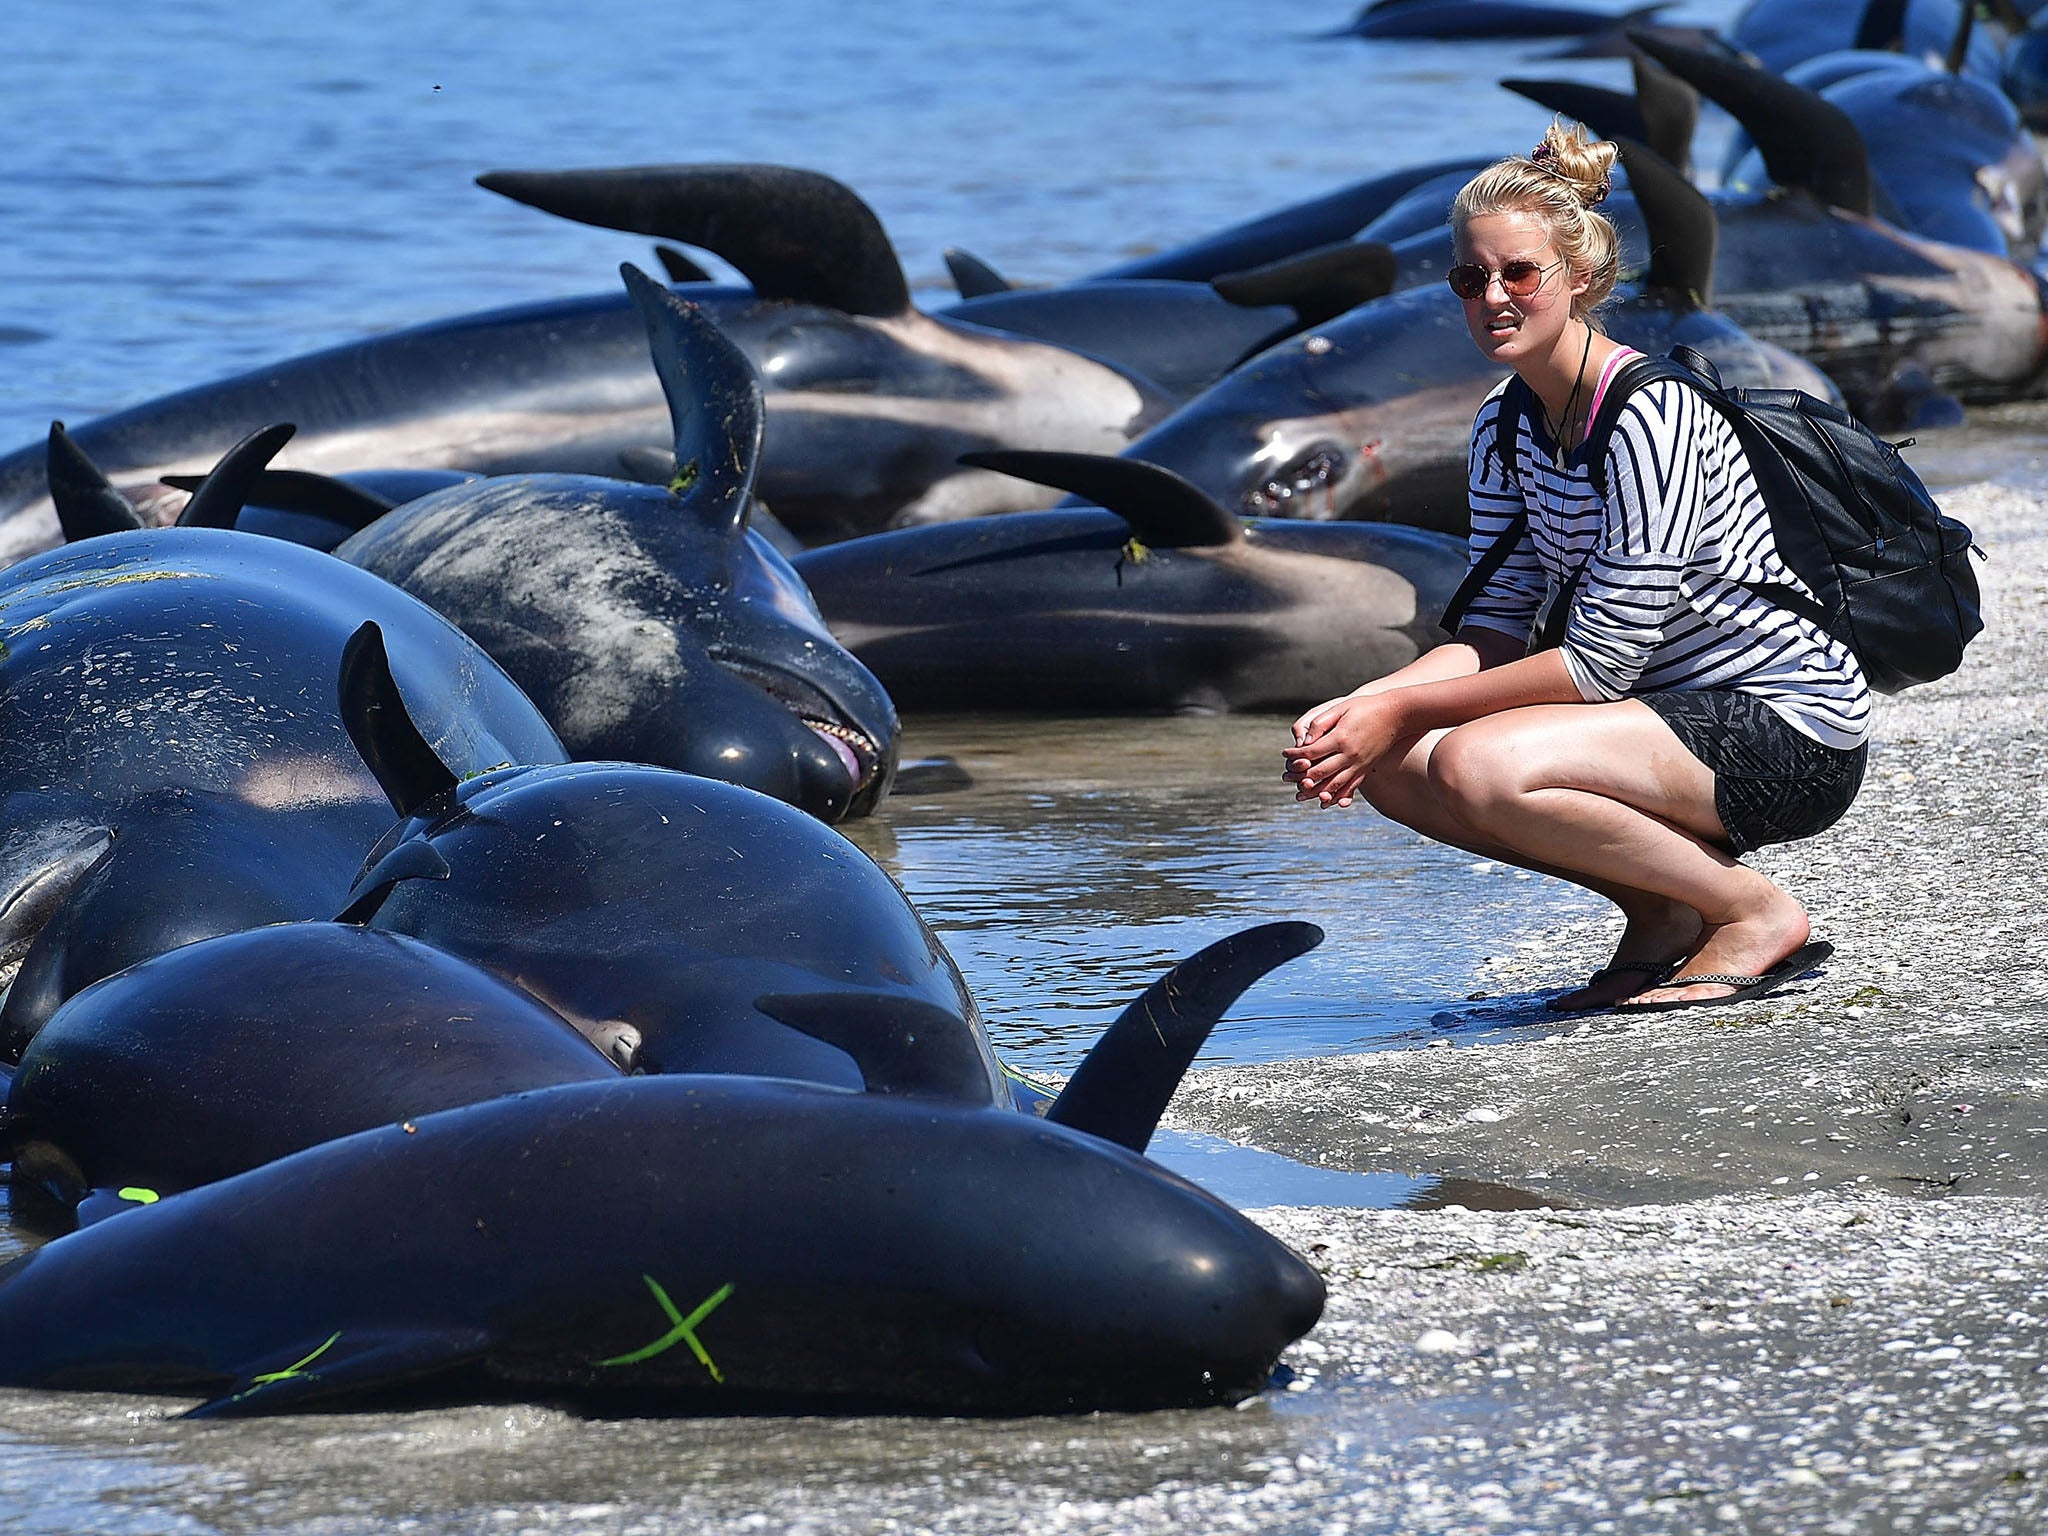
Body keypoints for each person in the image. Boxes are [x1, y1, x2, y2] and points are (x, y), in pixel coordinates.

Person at [1280, 122, 1870, 1013]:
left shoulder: (1650, 414)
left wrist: (1397, 706)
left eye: (1520, 273)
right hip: (1662, 724)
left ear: (1581, 279)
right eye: (1470, 279)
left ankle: (1753, 911)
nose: (1493, 297)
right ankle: (1662, 913)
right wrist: (1362, 714)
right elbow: (1490, 633)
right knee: (1391, 761)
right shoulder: (1503, 425)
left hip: (1787, 729)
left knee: (1476, 765)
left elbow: (1601, 666)